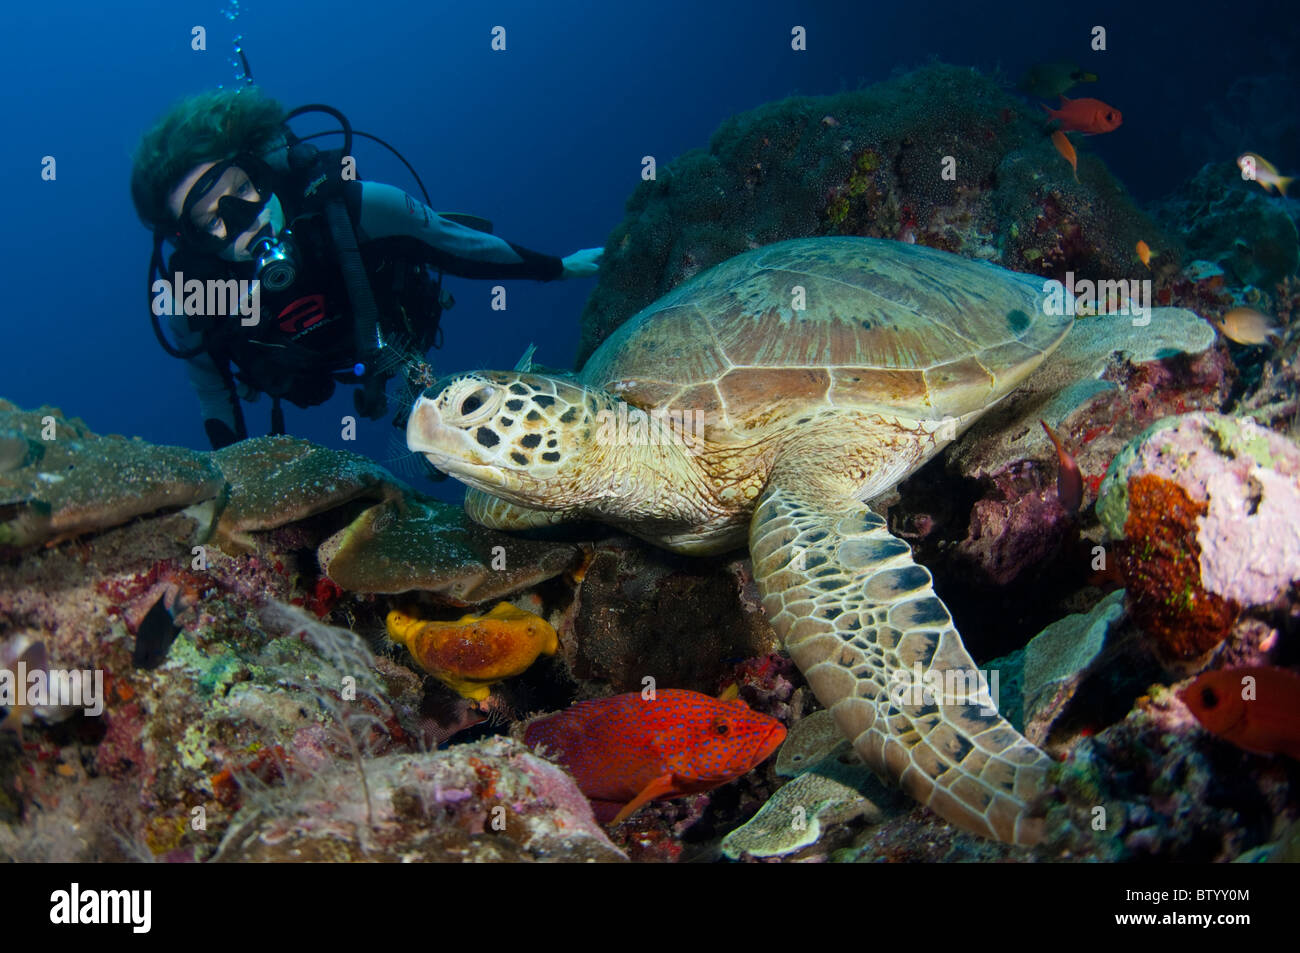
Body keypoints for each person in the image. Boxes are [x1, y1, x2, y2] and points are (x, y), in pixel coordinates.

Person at [130, 87, 602, 450]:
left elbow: (461, 246)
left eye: (242, 188)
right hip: (304, 370)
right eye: (211, 219)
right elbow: (213, 394)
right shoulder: (194, 297)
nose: (240, 218)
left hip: (387, 332)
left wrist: (560, 267)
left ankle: (389, 346)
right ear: (187, 241)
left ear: (263, 169)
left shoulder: (355, 207)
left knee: (424, 242)